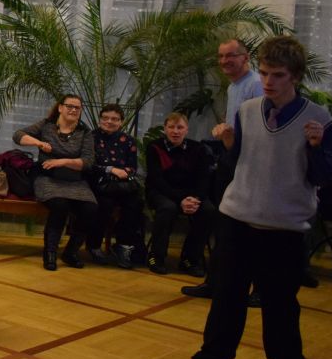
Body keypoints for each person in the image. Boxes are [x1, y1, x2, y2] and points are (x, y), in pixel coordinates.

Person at [187, 35, 332, 359]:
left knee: (280, 304)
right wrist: (227, 145)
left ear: (295, 76)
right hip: (237, 219)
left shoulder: (318, 119)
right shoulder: (248, 110)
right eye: (265, 72)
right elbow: (237, 163)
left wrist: (317, 148)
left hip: (284, 227)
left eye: (278, 75)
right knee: (226, 300)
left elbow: (324, 177)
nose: (269, 81)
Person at [184, 38, 264, 299]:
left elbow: (258, 131)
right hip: (232, 157)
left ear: (246, 57)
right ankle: (215, 282)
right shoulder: (233, 87)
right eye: (220, 56)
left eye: (230, 55)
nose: (224, 61)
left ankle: (258, 289)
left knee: (251, 228)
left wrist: (231, 138)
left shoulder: (255, 85)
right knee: (224, 225)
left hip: (250, 164)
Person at [14, 95, 98, 271]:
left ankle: (71, 252)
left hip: (74, 181)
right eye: (69, 106)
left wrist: (63, 162)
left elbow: (88, 162)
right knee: (60, 206)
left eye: (77, 107)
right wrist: (39, 143)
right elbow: (18, 135)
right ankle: (50, 253)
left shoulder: (85, 132)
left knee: (91, 209)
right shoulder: (47, 125)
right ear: (60, 108)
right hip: (48, 178)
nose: (73, 110)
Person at [145, 113, 214, 275]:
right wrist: (180, 199)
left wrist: (195, 198)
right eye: (171, 127)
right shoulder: (154, 147)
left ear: (186, 130)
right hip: (161, 192)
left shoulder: (198, 149)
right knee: (167, 208)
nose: (175, 131)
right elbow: (157, 180)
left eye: (180, 127)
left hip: (190, 194)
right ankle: (156, 257)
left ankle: (190, 259)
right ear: (165, 129)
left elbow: (204, 179)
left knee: (208, 210)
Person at [85, 104, 143, 268]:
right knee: (105, 204)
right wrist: (111, 170)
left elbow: (133, 167)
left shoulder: (128, 141)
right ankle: (94, 245)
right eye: (106, 118)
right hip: (97, 183)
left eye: (115, 119)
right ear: (100, 119)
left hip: (122, 184)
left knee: (135, 203)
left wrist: (124, 172)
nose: (109, 122)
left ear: (121, 122)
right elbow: (88, 165)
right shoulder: (90, 137)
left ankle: (123, 246)